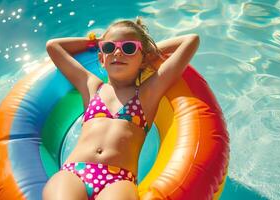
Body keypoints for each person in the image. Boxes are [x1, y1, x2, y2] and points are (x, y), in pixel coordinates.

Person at [42, 17, 199, 200]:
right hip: (74, 172)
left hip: (118, 180)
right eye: (110, 47)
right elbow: (53, 46)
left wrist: (147, 52)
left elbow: (191, 40)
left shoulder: (148, 93)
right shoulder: (92, 86)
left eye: (129, 48)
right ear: (102, 58)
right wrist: (95, 41)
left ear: (143, 59)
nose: (118, 52)